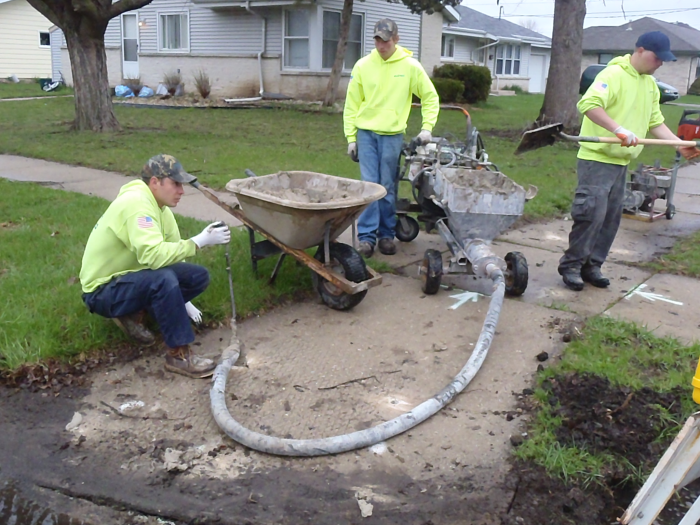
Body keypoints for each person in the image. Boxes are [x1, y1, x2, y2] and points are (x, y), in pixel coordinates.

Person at [558, 31, 700, 291]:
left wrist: (678, 144)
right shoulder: (612, 75)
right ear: (641, 50)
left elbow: (655, 122)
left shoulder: (649, 84)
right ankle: (572, 266)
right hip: (597, 160)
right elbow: (589, 104)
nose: (659, 64)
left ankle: (593, 266)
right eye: (657, 58)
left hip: (621, 162)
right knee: (591, 215)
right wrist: (618, 130)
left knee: (611, 219)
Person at [79, 154, 231, 378]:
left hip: (129, 277)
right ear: (155, 182)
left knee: (196, 276)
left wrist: (184, 302)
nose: (181, 191)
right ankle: (178, 356)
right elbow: (153, 256)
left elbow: (173, 259)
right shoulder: (136, 205)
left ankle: (135, 313)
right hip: (101, 290)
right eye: (175, 183)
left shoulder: (161, 210)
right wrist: (199, 241)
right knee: (163, 280)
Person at [343, 18, 440, 258]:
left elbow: (430, 97)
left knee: (386, 186)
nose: (381, 44)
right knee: (369, 185)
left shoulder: (410, 67)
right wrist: (351, 138)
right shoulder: (363, 66)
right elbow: (351, 105)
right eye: (377, 39)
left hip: (392, 135)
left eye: (385, 40)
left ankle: (386, 235)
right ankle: (366, 238)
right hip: (366, 134)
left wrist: (427, 127)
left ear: (395, 39)